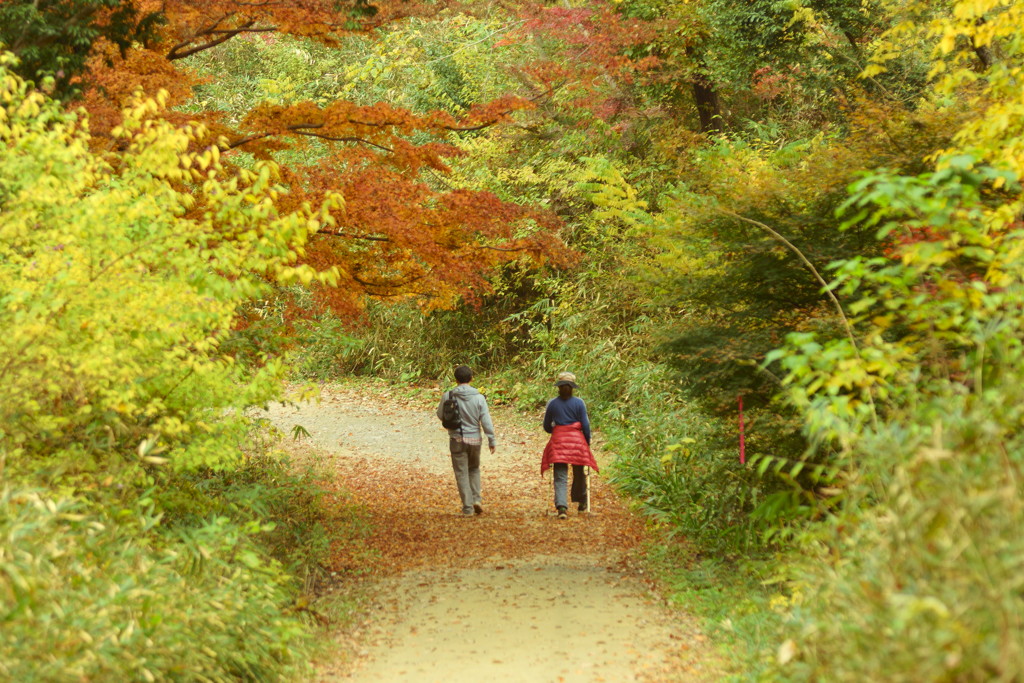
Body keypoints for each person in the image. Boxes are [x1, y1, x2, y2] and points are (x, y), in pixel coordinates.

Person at [437, 365, 496, 517]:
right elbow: (486, 420)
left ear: (456, 380)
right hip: (475, 439)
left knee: (461, 472)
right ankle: (476, 499)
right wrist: (491, 439)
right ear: (471, 379)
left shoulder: (448, 395)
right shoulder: (479, 398)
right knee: (474, 468)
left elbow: (440, 415)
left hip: (456, 438)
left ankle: (468, 508)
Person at [540, 371, 598, 519]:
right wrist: (587, 442)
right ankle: (582, 503)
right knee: (579, 472)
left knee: (560, 474)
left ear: (558, 387)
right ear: (573, 387)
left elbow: (546, 426)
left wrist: (557, 430)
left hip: (559, 441)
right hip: (577, 441)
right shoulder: (579, 403)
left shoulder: (552, 403)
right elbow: (585, 425)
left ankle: (562, 508)